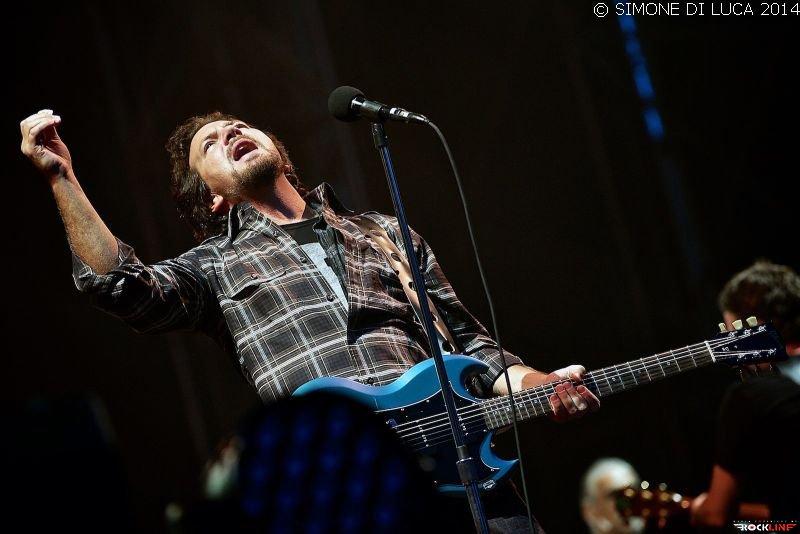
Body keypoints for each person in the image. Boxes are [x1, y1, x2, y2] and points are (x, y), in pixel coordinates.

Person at [20, 108, 601, 530]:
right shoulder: (214, 264)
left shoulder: (384, 232)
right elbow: (122, 287)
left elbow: (472, 347)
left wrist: (541, 384)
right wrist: (61, 177)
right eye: (211, 145)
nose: (231, 135)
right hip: (344, 498)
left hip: (465, 480)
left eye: (238, 127)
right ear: (213, 197)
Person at [691, 261, 800, 527]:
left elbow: (715, 517)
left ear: (752, 328)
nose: (731, 347)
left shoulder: (749, 397)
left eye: (733, 334)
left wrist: (699, 509)